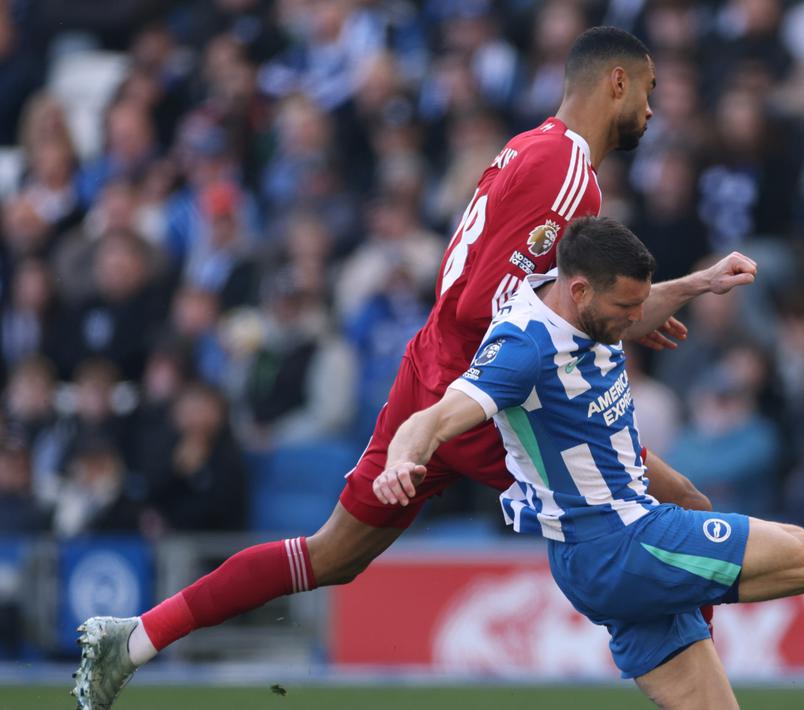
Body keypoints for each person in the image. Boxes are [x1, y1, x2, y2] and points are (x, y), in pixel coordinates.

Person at [73, 27, 755, 709]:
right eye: (648, 90)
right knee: (677, 509)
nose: (651, 109)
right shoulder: (568, 175)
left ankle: (134, 638)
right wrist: (621, 313)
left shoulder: (530, 147)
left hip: (432, 369)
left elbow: (547, 300)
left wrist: (672, 292)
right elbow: (498, 305)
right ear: (616, 82)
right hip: (491, 398)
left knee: (331, 554)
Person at [370, 217, 804, 708]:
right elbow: (434, 417)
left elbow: (636, 307)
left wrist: (698, 283)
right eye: (625, 309)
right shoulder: (522, 348)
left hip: (608, 551)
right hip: (619, 546)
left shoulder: (576, 307)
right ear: (579, 290)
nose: (636, 322)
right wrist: (403, 460)